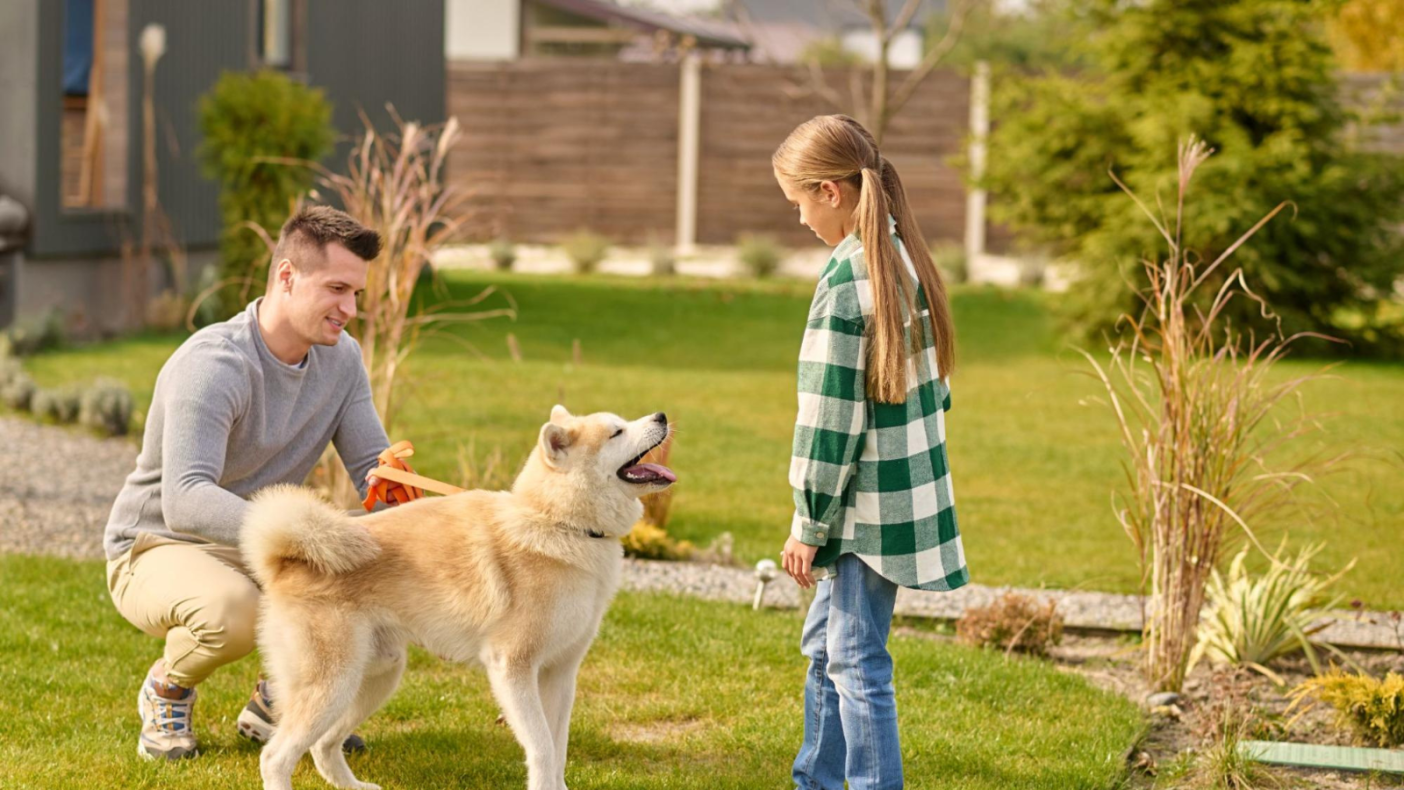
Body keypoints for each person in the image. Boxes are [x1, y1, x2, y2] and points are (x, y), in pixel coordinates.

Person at [102, 205, 408, 760]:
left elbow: (371, 464)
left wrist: (389, 485)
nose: (350, 309)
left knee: (387, 585)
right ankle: (167, 687)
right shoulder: (214, 364)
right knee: (232, 613)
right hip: (158, 545)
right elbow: (186, 500)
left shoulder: (341, 360)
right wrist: (308, 533)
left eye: (357, 294)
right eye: (337, 288)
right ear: (287, 277)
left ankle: (281, 703)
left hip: (262, 542)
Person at [774, 115, 969, 790]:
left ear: (830, 191)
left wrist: (808, 523)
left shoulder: (848, 282)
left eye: (799, 202)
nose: (799, 219)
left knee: (855, 659)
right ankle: (816, 779)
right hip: (897, 496)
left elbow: (829, 424)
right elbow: (934, 395)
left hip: (860, 510)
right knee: (827, 645)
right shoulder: (899, 256)